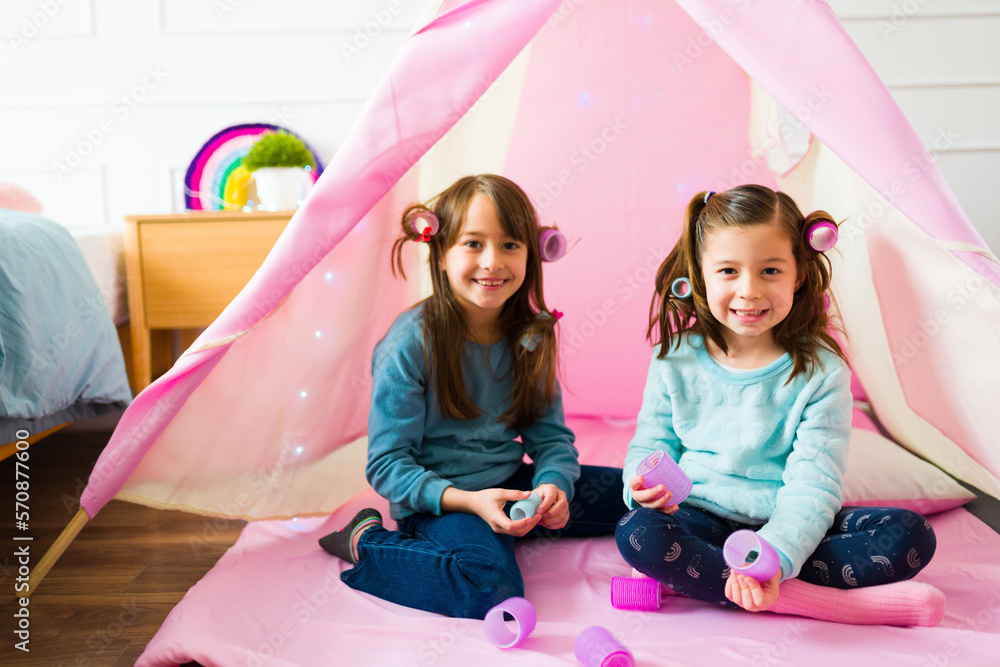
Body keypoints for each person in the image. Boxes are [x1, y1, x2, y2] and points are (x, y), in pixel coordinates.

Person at [615, 185, 944, 626]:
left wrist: (777, 554)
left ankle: (727, 581)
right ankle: (804, 600)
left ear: (799, 275)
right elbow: (652, 444)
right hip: (699, 516)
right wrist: (639, 485)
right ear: (701, 276)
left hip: (788, 521)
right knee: (637, 533)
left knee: (909, 536)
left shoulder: (822, 371)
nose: (749, 291)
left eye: (770, 270)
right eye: (728, 271)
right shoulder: (674, 358)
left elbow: (814, 482)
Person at [319, 174, 624, 618]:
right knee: (489, 586)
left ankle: (511, 525)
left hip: (510, 487)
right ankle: (366, 541)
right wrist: (471, 502)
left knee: (638, 497)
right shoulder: (411, 343)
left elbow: (551, 439)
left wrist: (551, 487)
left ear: (532, 254)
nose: (492, 261)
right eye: (473, 244)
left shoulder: (531, 336)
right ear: (441, 254)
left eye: (510, 245)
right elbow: (387, 465)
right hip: (441, 502)